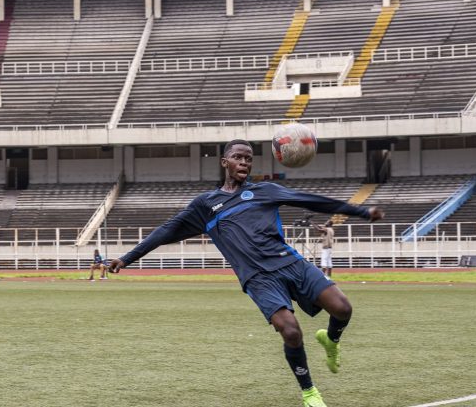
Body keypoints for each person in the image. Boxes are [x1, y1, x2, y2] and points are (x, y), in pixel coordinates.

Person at [107, 140, 384, 407]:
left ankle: (331, 340)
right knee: (290, 331)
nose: (244, 162)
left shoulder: (265, 191)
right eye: (238, 157)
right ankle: (310, 392)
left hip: (290, 263)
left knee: (343, 308)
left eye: (248, 159)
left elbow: (312, 201)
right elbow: (167, 230)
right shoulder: (206, 205)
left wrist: (360, 211)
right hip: (258, 278)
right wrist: (128, 258)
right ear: (224, 162)